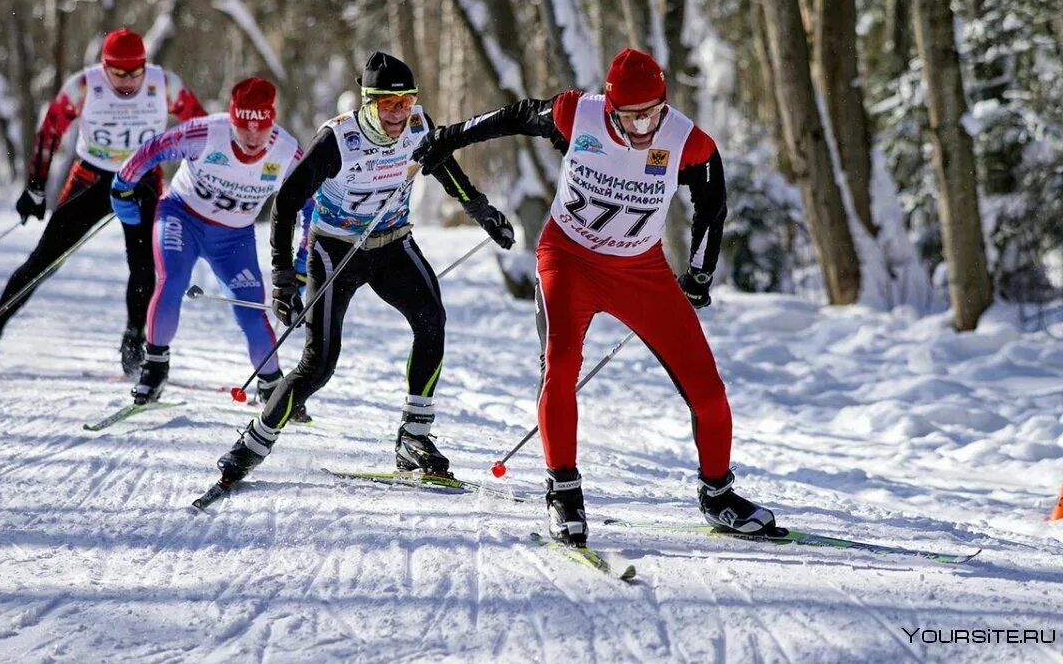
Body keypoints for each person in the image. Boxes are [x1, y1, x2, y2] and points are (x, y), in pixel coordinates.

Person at [411, 47, 777, 545]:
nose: (643, 125)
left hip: (640, 271)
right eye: (630, 116)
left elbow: (712, 203)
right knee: (560, 368)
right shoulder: (575, 115)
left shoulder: (687, 140)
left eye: (652, 112)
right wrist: (449, 137)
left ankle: (718, 495)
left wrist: (698, 273)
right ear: (609, 106)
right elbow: (517, 115)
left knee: (708, 390)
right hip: (569, 260)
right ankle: (563, 490)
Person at [213, 51, 516, 486]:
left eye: (407, 101)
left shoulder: (418, 126)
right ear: (367, 102)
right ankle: (251, 446)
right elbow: (285, 203)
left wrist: (482, 211)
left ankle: (414, 439)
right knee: (319, 364)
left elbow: (444, 167)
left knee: (432, 322)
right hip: (335, 251)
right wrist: (281, 277)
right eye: (389, 104)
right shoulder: (338, 139)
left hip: (393, 244)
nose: (400, 113)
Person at [0, 28, 206, 379]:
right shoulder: (85, 86)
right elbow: (50, 129)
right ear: (105, 67)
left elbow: (201, 130)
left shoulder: (163, 85)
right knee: (42, 261)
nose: (128, 81)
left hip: (142, 179)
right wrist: (36, 186)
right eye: (119, 73)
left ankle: (135, 341)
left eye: (135, 72)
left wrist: (200, 183)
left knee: (145, 266)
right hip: (92, 178)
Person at [110, 76, 311, 408]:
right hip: (181, 218)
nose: (252, 136)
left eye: (260, 127)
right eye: (243, 125)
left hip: (234, 238)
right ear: (232, 119)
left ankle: (271, 385)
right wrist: (123, 184)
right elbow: (155, 148)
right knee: (172, 280)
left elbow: (311, 209)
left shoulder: (287, 153)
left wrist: (301, 267)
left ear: (271, 122)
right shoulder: (207, 133)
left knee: (251, 310)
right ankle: (154, 368)